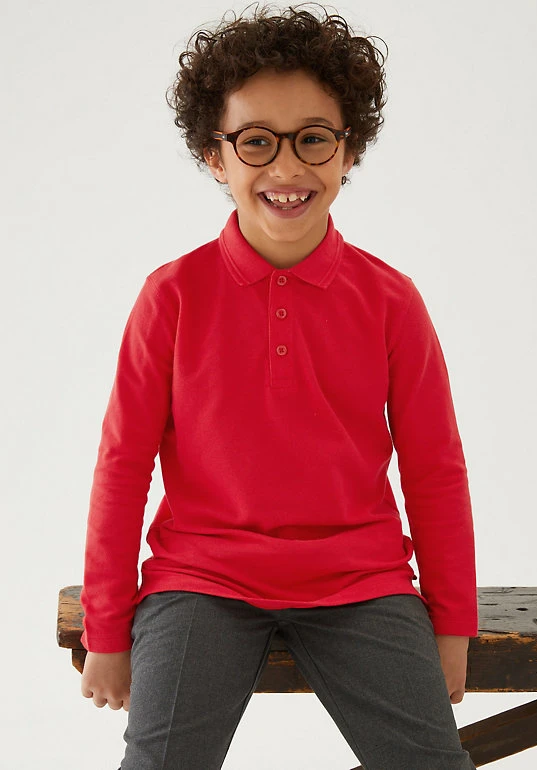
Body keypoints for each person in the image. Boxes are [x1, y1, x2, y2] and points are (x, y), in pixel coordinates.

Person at [79, 4, 478, 768]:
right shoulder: (171, 296)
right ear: (214, 156)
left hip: (362, 581)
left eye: (313, 138)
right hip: (201, 579)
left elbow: (435, 468)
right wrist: (106, 629)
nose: (288, 169)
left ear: (349, 148)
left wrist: (453, 623)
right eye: (257, 141)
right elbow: (122, 465)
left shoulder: (392, 300)